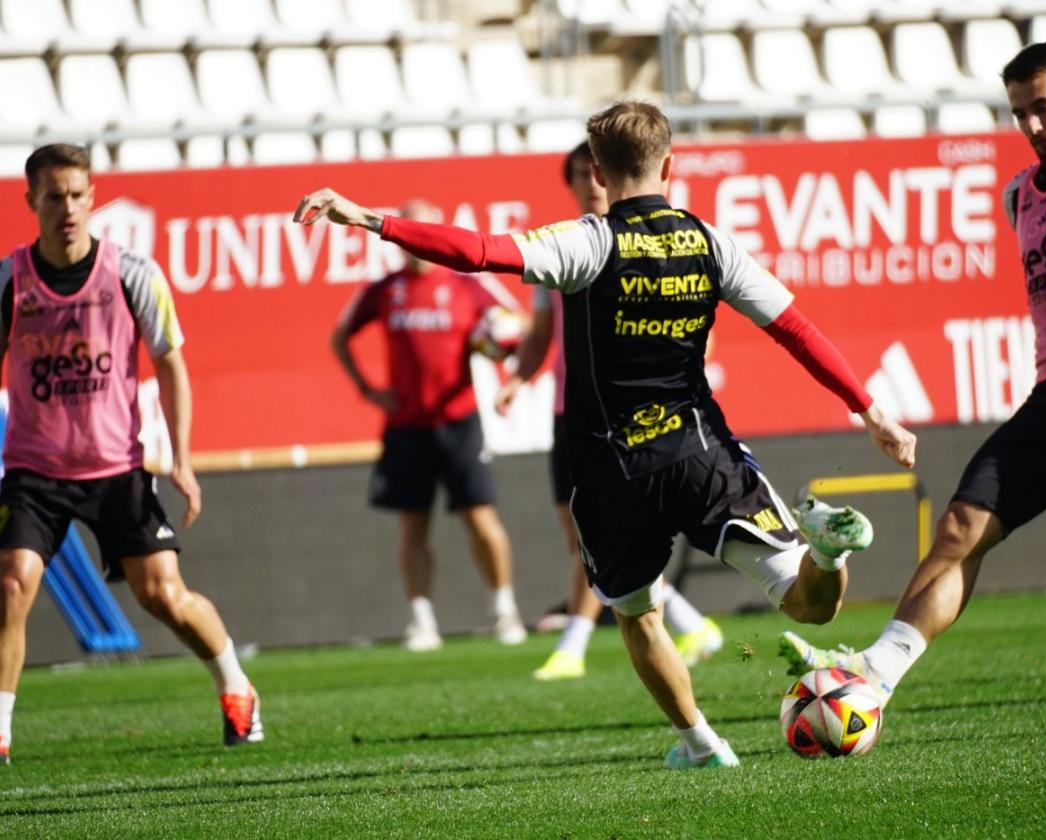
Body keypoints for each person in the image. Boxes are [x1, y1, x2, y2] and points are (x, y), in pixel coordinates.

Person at [294, 100, 916, 769]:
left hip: (612, 470)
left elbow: (477, 252)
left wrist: (370, 220)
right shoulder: (711, 242)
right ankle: (824, 556)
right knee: (810, 608)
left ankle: (703, 745)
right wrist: (868, 408)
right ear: (671, 165)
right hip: (701, 453)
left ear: (597, 168)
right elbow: (794, 328)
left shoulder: (585, 243)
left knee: (637, 615)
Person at [778, 42, 1046, 707]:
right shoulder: (1018, 196)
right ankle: (875, 677)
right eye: (1018, 114)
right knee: (958, 530)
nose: (1032, 126)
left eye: (1044, 108)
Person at [0, 144, 263, 766]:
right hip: (35, 469)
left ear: (92, 197)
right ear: (31, 200)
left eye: (77, 194)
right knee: (12, 585)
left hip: (118, 467)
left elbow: (171, 365)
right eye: (55, 195)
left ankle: (237, 685)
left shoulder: (131, 273)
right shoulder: (11, 280)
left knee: (163, 596)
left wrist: (182, 461)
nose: (67, 207)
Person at [494, 142, 723, 681]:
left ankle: (573, 644)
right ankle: (693, 625)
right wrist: (517, 380)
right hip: (572, 413)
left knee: (601, 536)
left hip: (639, 416)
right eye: (578, 174)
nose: (590, 183)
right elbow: (543, 333)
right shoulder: (562, 247)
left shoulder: (652, 242)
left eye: (593, 172)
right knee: (585, 536)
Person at [331, 199, 527, 653]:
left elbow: (513, 326)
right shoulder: (384, 289)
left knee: (480, 517)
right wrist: (368, 388)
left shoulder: (466, 283)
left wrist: (495, 347)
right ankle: (421, 620)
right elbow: (340, 337)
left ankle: (504, 609)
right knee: (413, 526)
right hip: (406, 425)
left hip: (458, 421)